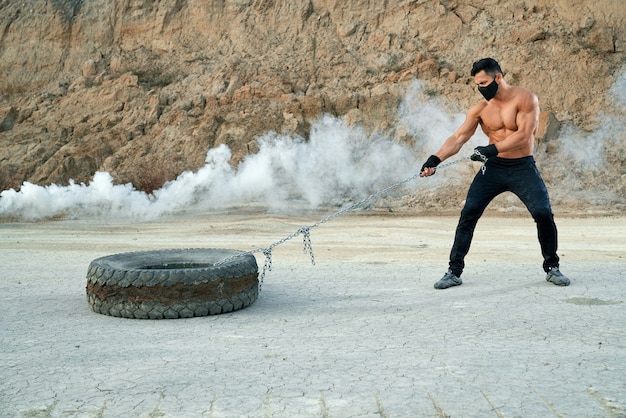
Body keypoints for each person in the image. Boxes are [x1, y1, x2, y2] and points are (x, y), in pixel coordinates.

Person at [420, 57, 570, 289]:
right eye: (477, 85)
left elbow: (524, 135)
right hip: (494, 168)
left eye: (484, 83)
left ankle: (552, 267)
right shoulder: (480, 110)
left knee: (542, 212)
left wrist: (490, 149)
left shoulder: (525, 98)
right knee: (468, 213)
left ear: (498, 78)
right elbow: (458, 138)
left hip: (522, 167)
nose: (481, 89)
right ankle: (453, 272)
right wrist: (435, 159)